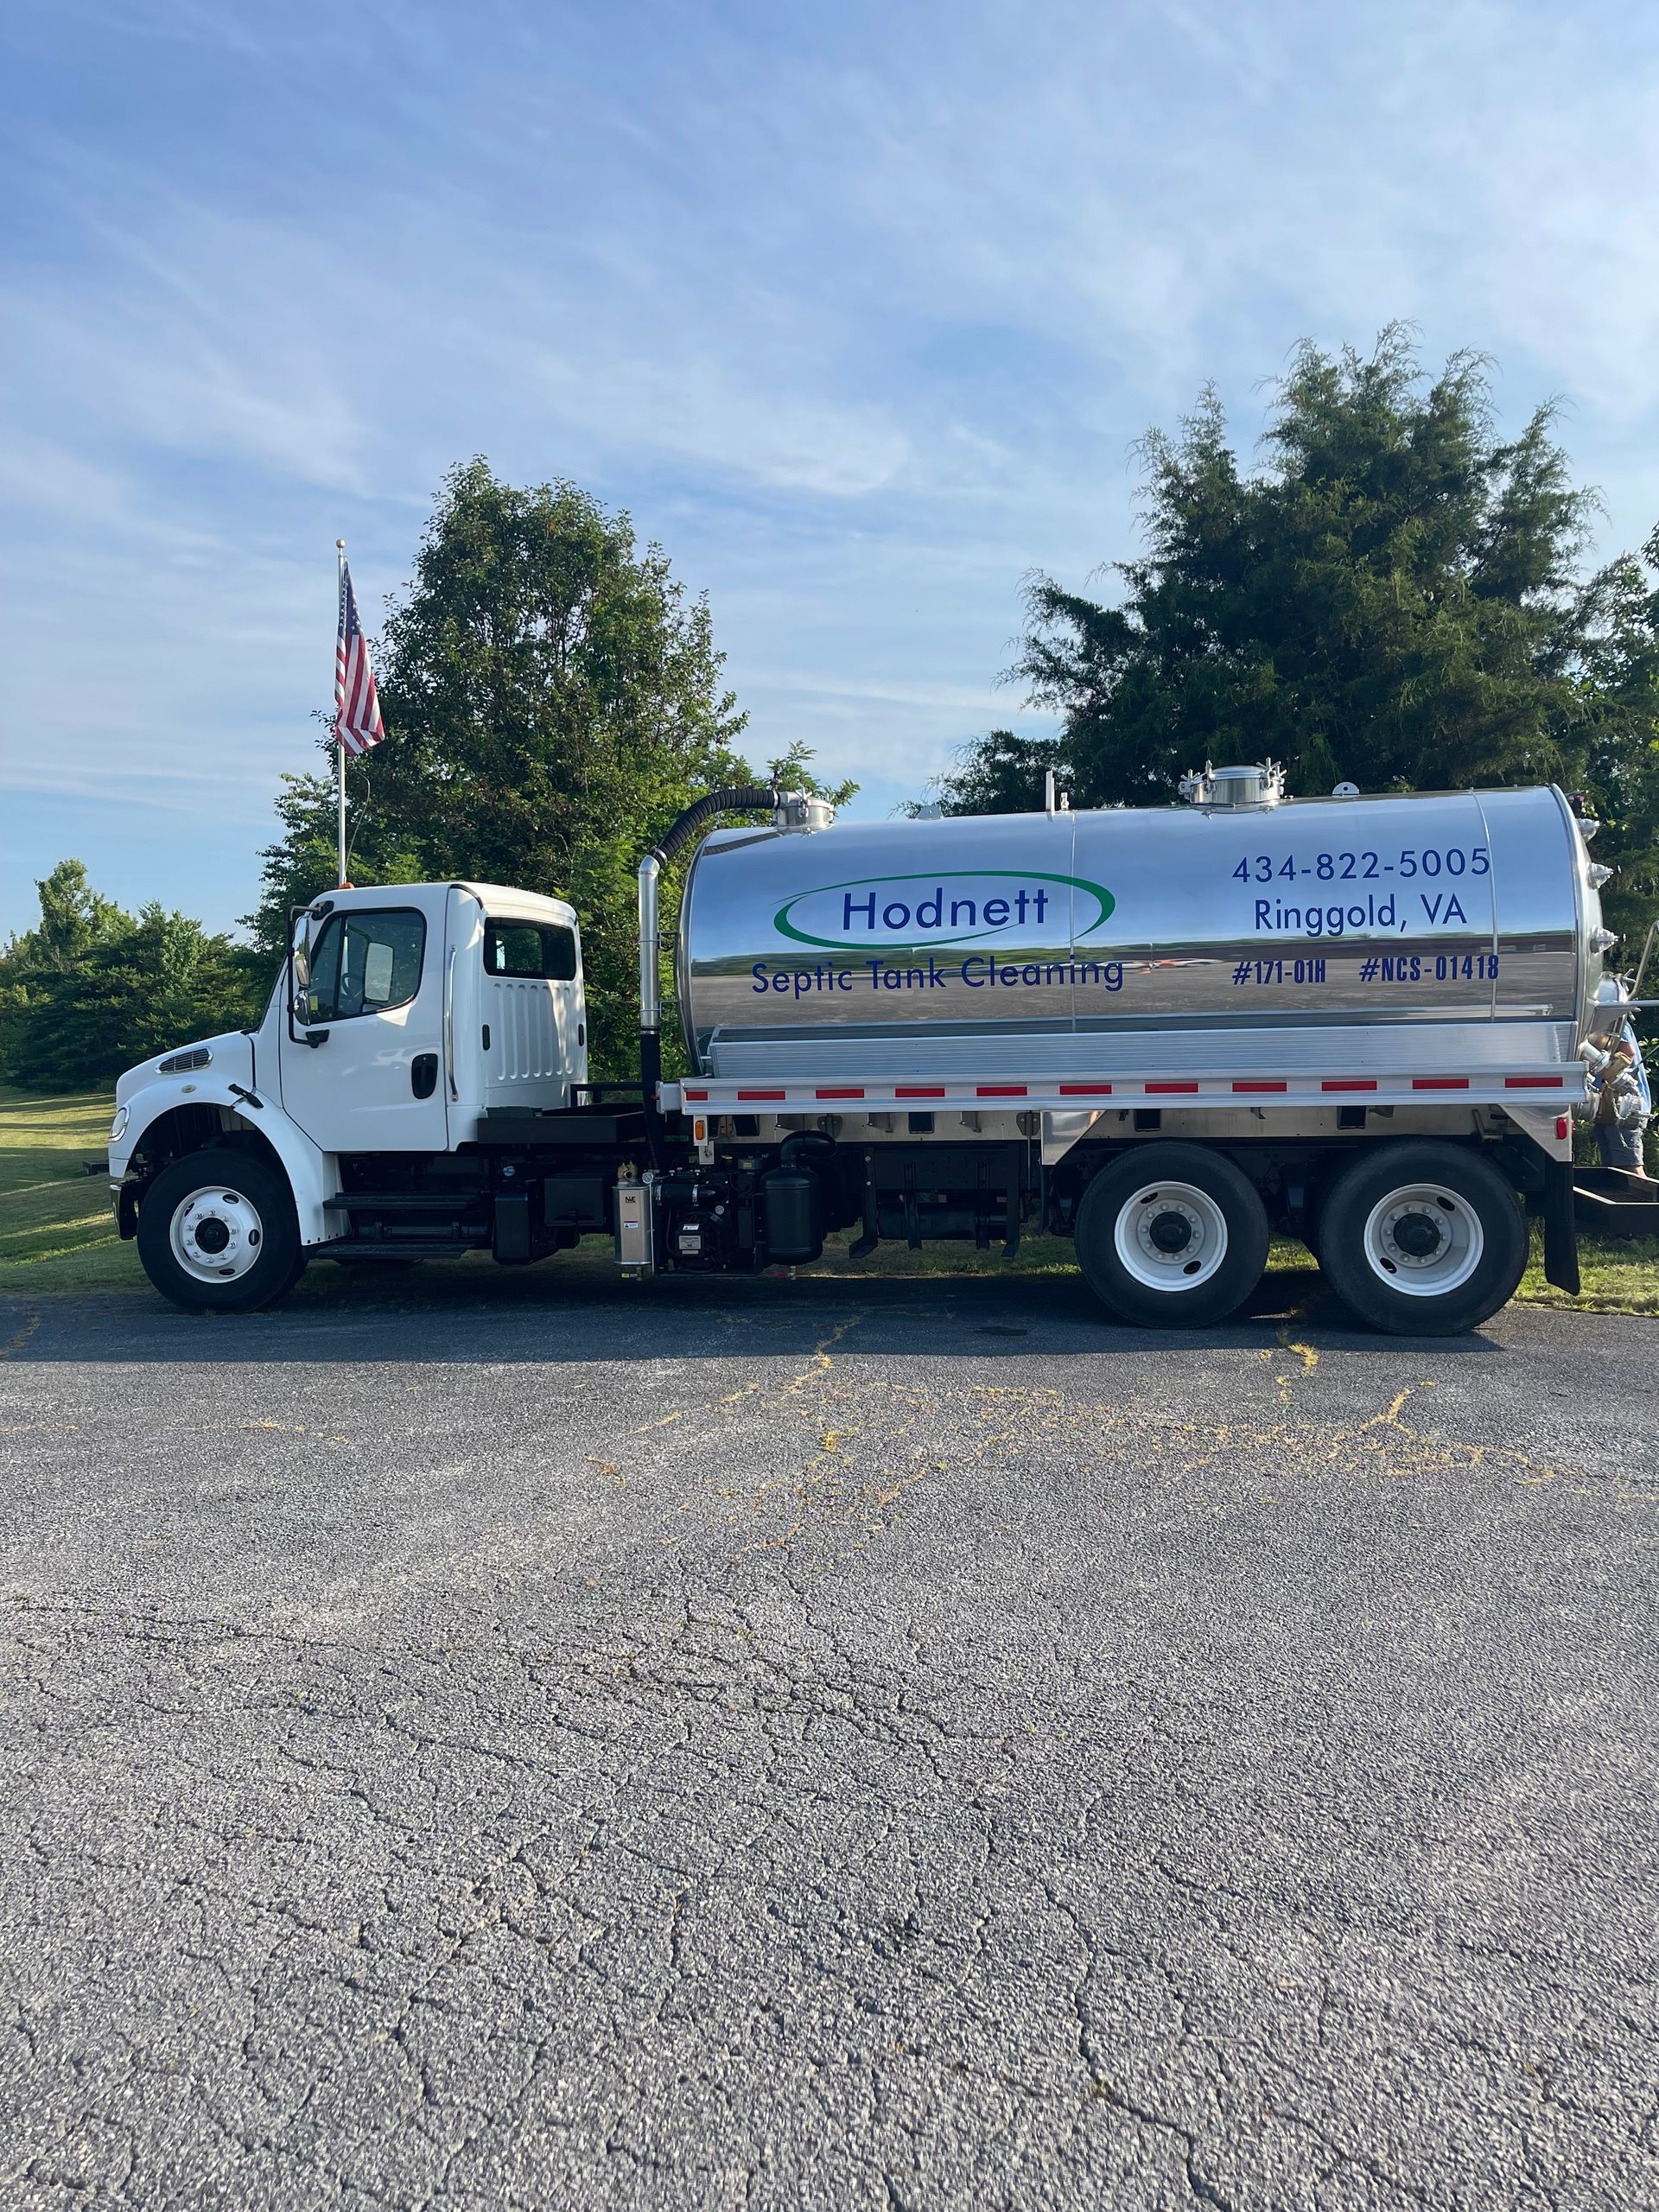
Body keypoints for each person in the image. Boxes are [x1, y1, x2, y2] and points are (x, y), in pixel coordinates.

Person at [1588, 974, 1652, 1173]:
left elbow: (1627, 1053)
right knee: (1616, 1172)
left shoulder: (1614, 1022)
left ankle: (1647, 1203)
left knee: (1631, 1168)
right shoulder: (1608, 1023)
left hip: (1624, 1104)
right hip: (1612, 1106)